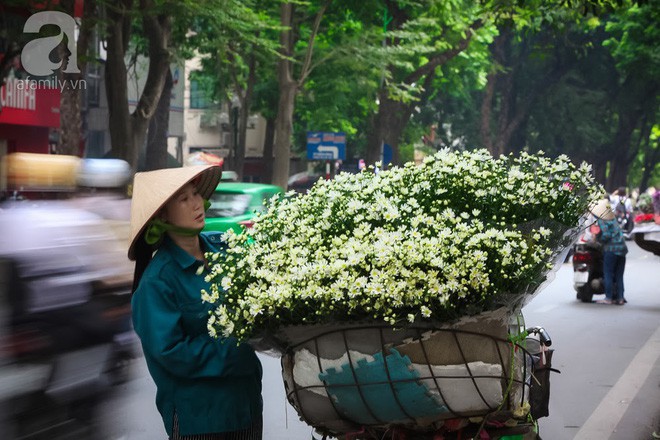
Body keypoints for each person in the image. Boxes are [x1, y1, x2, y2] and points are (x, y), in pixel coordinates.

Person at [128, 165, 263, 439]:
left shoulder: (225, 254)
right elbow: (170, 352)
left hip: (246, 408)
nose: (197, 203)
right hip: (201, 421)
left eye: (196, 194)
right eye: (184, 198)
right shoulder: (158, 281)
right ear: (162, 215)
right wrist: (234, 351)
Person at [591, 199, 628, 305]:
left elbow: (606, 235)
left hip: (611, 250)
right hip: (622, 249)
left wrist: (598, 239)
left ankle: (608, 298)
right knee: (619, 275)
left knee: (608, 273)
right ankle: (620, 298)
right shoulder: (613, 219)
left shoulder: (602, 220)